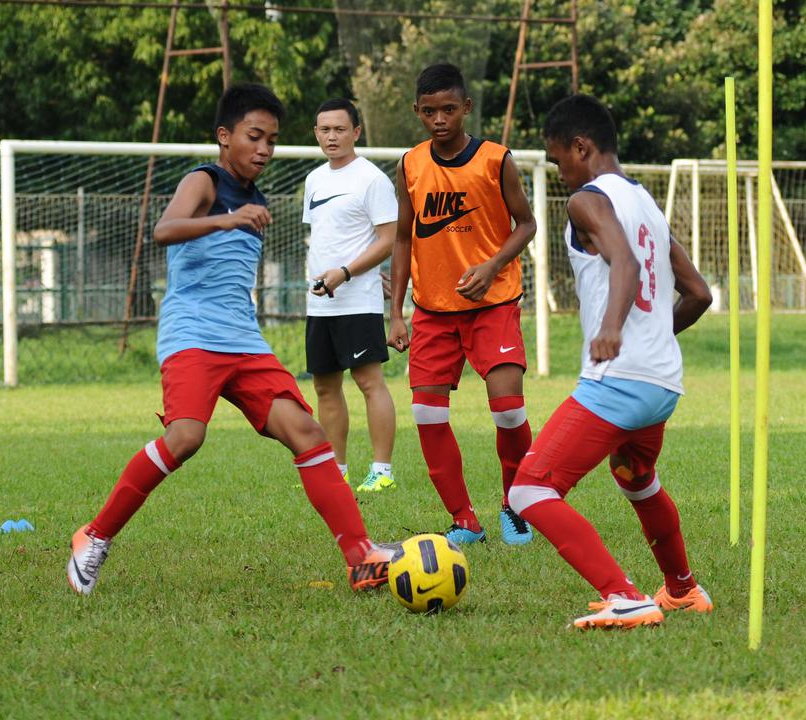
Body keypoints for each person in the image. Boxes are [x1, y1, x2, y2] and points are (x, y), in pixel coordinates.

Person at [67, 84, 394, 594]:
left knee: (308, 433)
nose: (264, 150)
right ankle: (94, 536)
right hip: (192, 333)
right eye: (254, 137)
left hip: (244, 340)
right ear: (225, 136)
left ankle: (361, 558)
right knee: (186, 438)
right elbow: (164, 229)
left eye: (272, 141)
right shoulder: (204, 181)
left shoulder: (257, 199)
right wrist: (228, 218)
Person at [507, 94, 713, 629]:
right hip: (661, 382)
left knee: (529, 490)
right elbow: (699, 293)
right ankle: (682, 590)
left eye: (558, 161)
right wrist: (653, 335)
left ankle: (623, 596)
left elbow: (623, 261)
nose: (559, 174)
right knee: (637, 480)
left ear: (581, 147)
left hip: (618, 381)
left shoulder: (587, 201)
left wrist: (614, 329)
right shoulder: (646, 203)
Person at [388, 63, 538, 546]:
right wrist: (395, 313)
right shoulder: (410, 164)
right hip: (432, 311)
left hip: (493, 304)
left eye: (449, 109)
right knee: (427, 415)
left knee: (509, 412)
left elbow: (527, 224)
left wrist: (492, 266)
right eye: (429, 111)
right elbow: (402, 238)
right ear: (417, 111)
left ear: (466, 107)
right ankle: (464, 519)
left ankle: (516, 505)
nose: (439, 119)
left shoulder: (495, 159)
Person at [303, 98, 399, 492]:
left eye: (340, 129)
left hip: (357, 300)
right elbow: (324, 238)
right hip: (319, 302)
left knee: (369, 382)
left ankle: (382, 471)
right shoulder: (314, 180)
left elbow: (388, 239)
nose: (332, 136)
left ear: (356, 132)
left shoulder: (372, 179)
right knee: (325, 386)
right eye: (325, 129)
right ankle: (336, 471)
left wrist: (346, 273)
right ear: (316, 133)